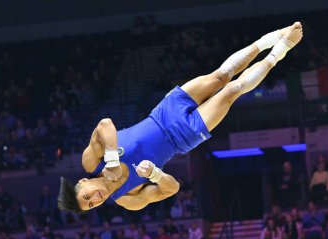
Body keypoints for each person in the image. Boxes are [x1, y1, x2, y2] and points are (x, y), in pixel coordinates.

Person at [58, 23, 303, 213]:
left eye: (87, 196)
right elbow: (172, 189)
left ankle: (272, 38)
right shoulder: (127, 199)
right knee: (231, 91)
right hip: (181, 138)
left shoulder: (91, 162)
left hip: (163, 113)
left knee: (220, 76)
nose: (95, 199)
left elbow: (105, 125)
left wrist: (111, 159)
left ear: (83, 182)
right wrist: (154, 174)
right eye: (91, 205)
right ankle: (281, 50)